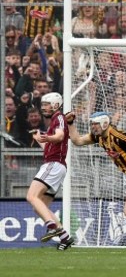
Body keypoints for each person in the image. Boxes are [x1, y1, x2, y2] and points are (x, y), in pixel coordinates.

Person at [68, 111, 126, 251]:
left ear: (105, 124)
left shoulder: (119, 136)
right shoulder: (98, 137)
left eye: (95, 124)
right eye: (92, 124)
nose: (93, 127)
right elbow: (77, 141)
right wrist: (70, 123)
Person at [25, 92, 74, 250]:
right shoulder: (53, 121)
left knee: (31, 196)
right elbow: (51, 146)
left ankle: (52, 227)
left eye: (46, 104)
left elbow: (59, 137)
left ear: (55, 105)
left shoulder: (59, 117)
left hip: (53, 165)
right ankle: (65, 237)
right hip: (56, 166)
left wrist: (47, 137)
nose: (43, 107)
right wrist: (41, 140)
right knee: (39, 205)